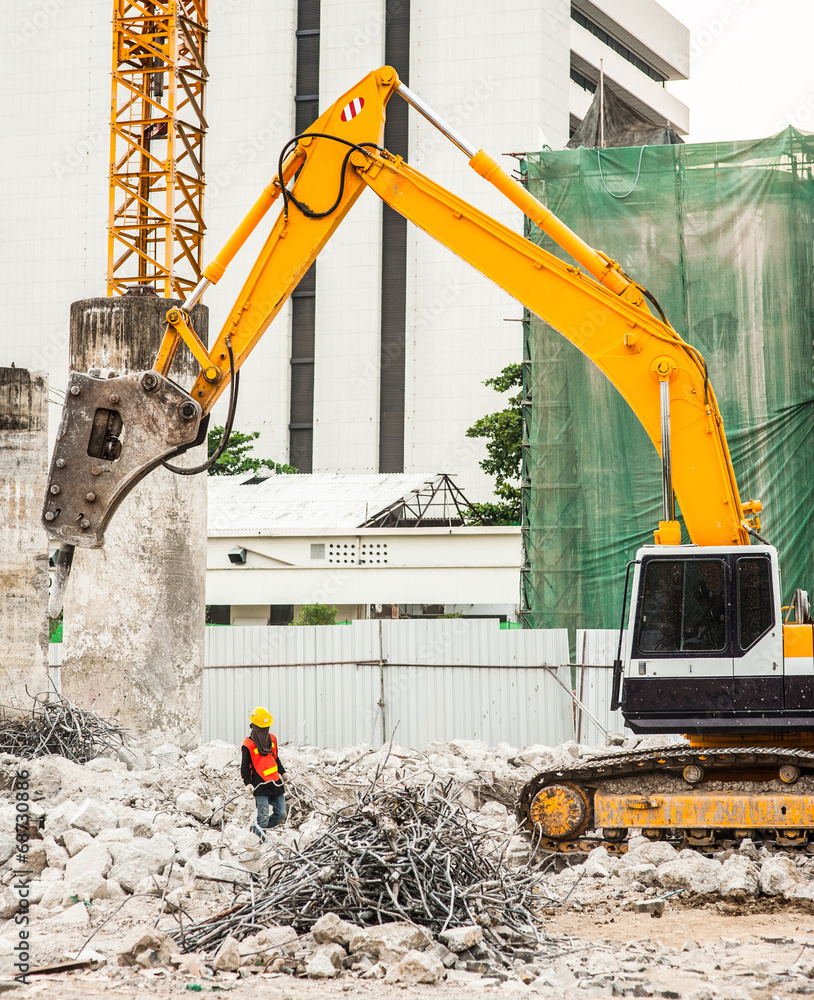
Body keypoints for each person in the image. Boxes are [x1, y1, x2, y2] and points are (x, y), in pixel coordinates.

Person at [241, 705, 286, 840]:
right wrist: (248, 783)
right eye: (262, 727)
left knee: (281, 814)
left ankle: (256, 830)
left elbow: (275, 758)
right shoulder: (248, 745)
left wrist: (283, 773)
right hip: (259, 785)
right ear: (255, 726)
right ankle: (260, 844)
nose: (265, 730)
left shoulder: (272, 739)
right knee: (263, 819)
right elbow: (244, 767)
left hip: (275, 783)